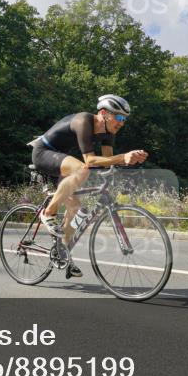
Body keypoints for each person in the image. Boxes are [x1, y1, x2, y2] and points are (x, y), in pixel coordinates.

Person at [28, 94, 148, 278]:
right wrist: (123, 157)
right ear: (104, 113)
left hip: (61, 161)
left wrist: (129, 161)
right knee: (82, 169)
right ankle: (48, 212)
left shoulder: (109, 132)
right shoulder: (83, 120)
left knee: (76, 209)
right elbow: (90, 160)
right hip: (43, 153)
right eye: (119, 117)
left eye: (125, 119)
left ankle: (62, 253)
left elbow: (107, 162)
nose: (122, 122)